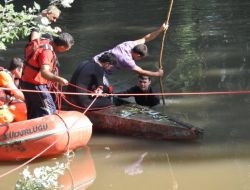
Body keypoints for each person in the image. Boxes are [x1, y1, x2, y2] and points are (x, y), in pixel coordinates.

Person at [21, 32, 74, 119]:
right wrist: (59, 79)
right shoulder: (47, 52)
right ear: (61, 47)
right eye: (67, 49)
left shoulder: (44, 41)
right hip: (36, 85)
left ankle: (34, 129)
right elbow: (44, 72)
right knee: (49, 110)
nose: (66, 51)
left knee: (33, 111)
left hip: (25, 82)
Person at [93, 22, 169, 77]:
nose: (139, 60)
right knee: (105, 91)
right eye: (140, 58)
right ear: (138, 55)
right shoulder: (127, 60)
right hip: (101, 69)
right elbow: (141, 72)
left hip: (96, 59)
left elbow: (146, 38)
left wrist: (160, 30)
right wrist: (157, 74)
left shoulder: (130, 44)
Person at [0, 57, 26, 123]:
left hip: (6, 104)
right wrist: (31, 100)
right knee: (7, 118)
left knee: (24, 110)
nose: (23, 71)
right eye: (22, 69)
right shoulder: (4, 74)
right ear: (17, 69)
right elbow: (16, 93)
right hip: (2, 107)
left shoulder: (15, 79)